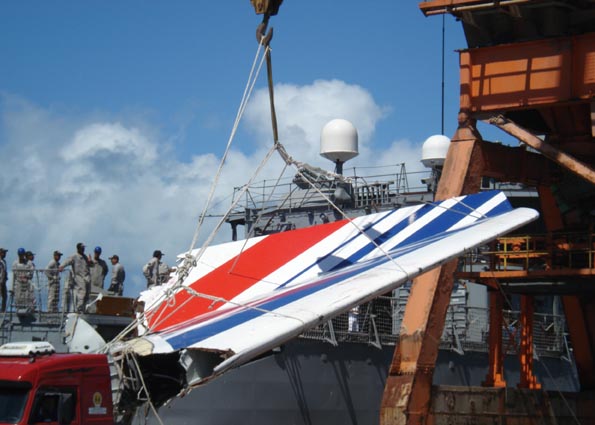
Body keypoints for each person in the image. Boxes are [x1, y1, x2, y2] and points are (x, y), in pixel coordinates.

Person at [59, 243, 91, 313]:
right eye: (82, 248)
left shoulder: (85, 257)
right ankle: (79, 309)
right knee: (82, 292)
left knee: (87, 294)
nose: (83, 249)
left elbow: (89, 265)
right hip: (79, 277)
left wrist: (90, 262)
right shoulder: (74, 256)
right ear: (78, 248)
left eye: (84, 248)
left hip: (86, 277)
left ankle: (84, 309)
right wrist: (62, 266)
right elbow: (67, 261)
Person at [0, 248, 7, 312]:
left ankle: (2, 310)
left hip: (3, 282)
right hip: (0, 281)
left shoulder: (4, 261)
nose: (5, 254)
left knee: (4, 297)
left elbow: (4, 271)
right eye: (3, 252)